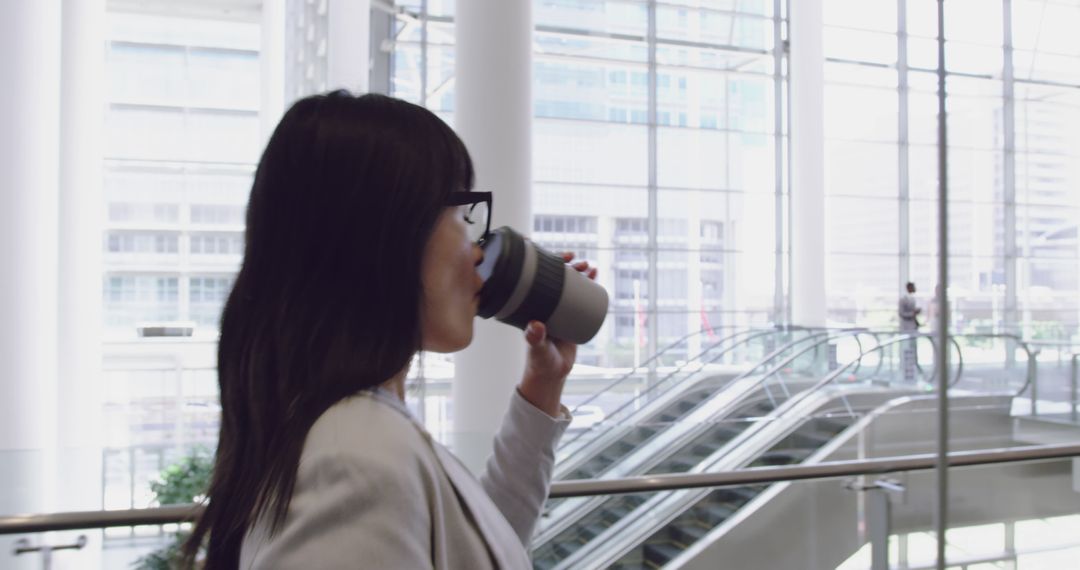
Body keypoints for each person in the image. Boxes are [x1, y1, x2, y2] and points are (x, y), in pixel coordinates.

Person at [182, 91, 597, 569]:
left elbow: (474, 548)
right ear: (386, 235)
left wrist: (542, 389)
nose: (478, 250)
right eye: (462, 215)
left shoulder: (350, 427)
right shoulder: (354, 458)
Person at [899, 282, 922, 382]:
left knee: (913, 348)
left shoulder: (913, 299)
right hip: (906, 328)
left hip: (913, 327)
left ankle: (914, 368)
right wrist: (912, 313)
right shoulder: (903, 300)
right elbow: (902, 313)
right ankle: (906, 369)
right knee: (907, 348)